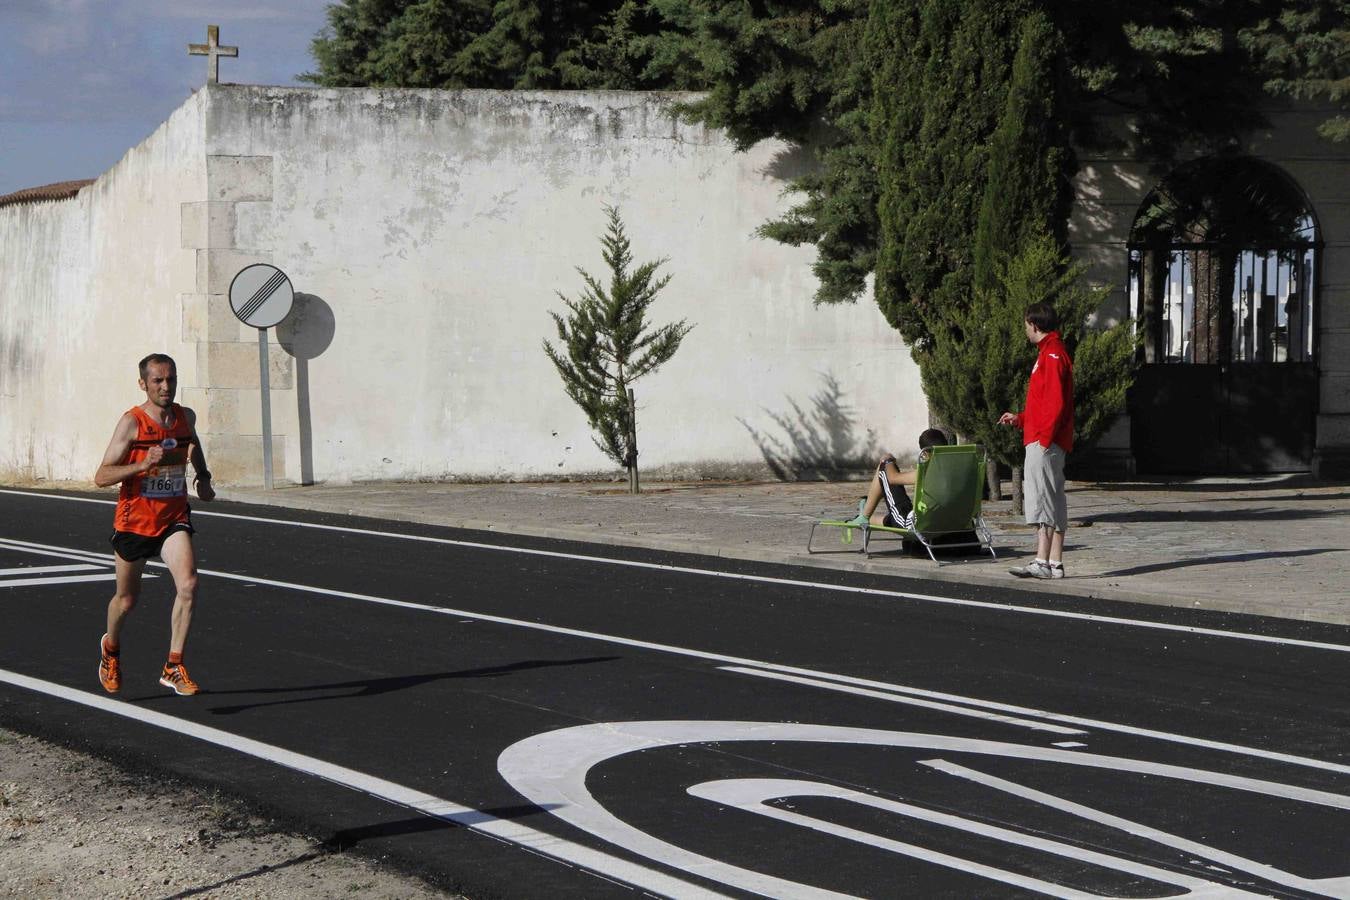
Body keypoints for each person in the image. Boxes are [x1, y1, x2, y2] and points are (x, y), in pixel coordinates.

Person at [93, 353, 215, 695]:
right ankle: (111, 650)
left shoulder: (184, 417)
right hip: (135, 521)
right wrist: (142, 464)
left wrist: (202, 476)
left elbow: (192, 445)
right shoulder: (132, 422)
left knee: (189, 585)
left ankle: (173, 665)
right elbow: (101, 475)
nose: (166, 387)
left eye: (171, 379)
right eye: (158, 381)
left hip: (173, 518)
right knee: (127, 600)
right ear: (143, 384)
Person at [998, 302, 1074, 579]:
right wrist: (1020, 418)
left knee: (1041, 498)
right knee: (1054, 498)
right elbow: (1045, 404)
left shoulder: (1051, 355)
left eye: (1026, 325)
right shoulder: (1052, 353)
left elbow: (1054, 404)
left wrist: (1043, 438)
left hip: (1044, 441)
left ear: (1034, 325)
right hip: (1049, 438)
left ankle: (1041, 561)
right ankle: (1055, 562)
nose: (1025, 330)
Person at [846, 429, 950, 530]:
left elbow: (892, 478)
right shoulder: (958, 469)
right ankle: (864, 517)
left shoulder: (928, 471)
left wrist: (888, 460)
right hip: (948, 521)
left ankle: (864, 516)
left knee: (884, 468)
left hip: (915, 524)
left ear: (925, 453)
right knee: (898, 514)